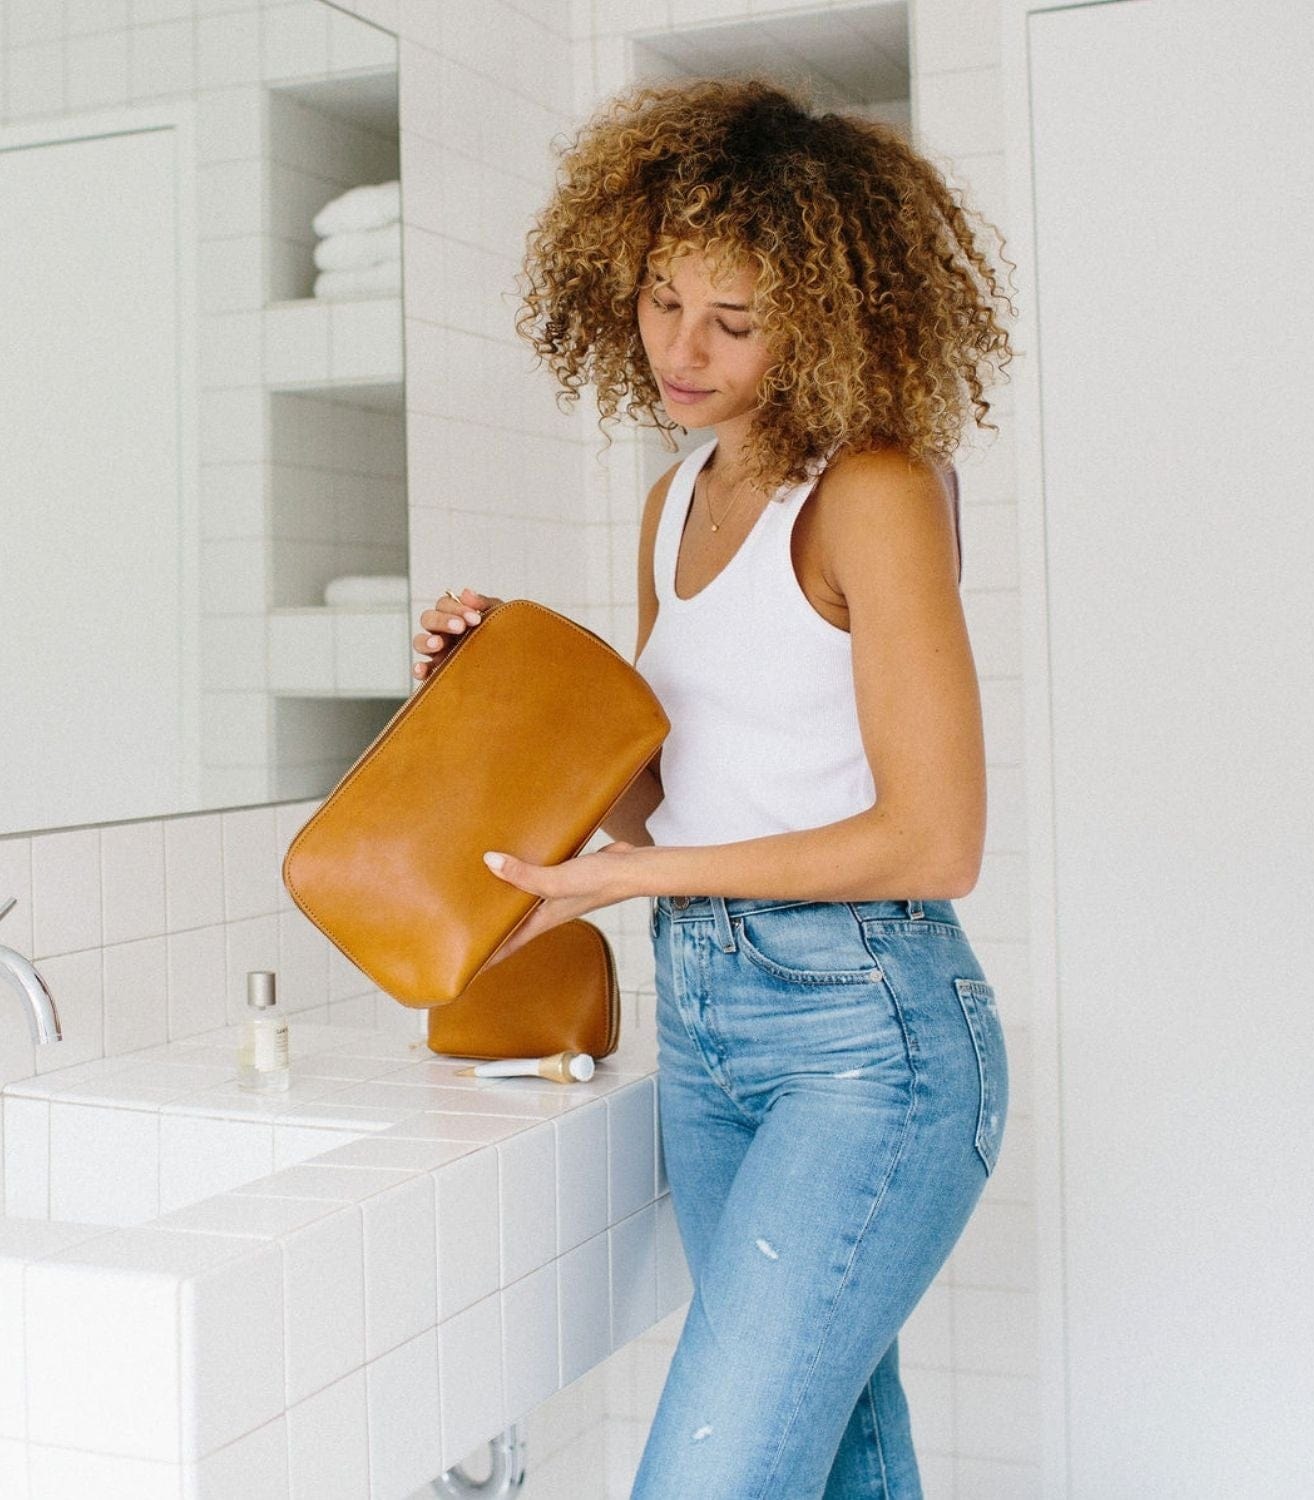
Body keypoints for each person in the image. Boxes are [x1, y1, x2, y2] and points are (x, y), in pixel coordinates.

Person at [410, 76, 1016, 1500]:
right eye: (661, 298)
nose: (683, 348)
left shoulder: (873, 491)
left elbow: (936, 840)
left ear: (827, 316)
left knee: (712, 1476)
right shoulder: (674, 500)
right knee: (841, 1456)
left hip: (870, 1039)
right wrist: (497, 689)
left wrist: (634, 878)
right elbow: (668, 801)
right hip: (708, 1026)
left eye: (733, 319)